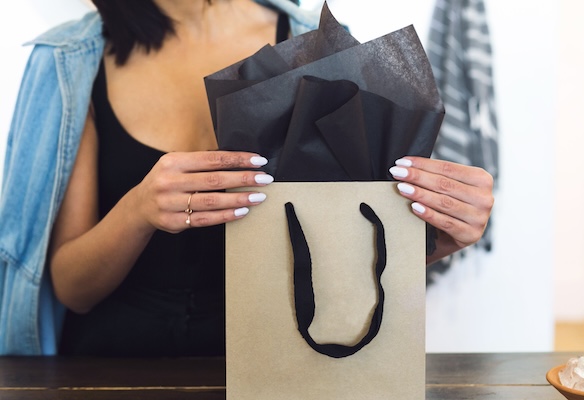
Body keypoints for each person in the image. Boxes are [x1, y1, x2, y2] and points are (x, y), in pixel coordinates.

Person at [0, 0, 494, 356]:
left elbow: (352, 249)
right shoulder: (71, 60)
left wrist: (438, 235)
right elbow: (72, 289)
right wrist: (139, 209)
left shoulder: (317, 42)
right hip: (113, 363)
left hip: (283, 353)